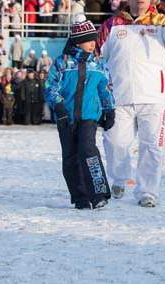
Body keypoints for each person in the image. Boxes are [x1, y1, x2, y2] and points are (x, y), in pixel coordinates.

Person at [96, 0, 165, 208]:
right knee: (115, 142)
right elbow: (98, 56)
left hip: (153, 97)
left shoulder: (162, 22)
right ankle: (119, 178)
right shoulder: (111, 25)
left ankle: (147, 191)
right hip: (119, 96)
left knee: (152, 146)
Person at [46, 20, 115, 209]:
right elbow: (51, 87)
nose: (93, 43)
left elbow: (105, 89)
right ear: (77, 42)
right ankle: (80, 197)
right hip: (66, 118)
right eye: (88, 40)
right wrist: (58, 107)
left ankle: (99, 193)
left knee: (88, 150)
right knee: (70, 157)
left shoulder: (98, 64)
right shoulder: (62, 63)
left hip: (88, 117)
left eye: (94, 40)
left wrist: (109, 110)